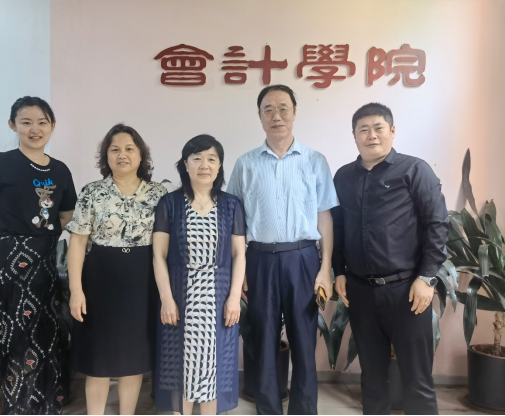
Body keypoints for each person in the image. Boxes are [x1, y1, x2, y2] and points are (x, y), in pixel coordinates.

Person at [0, 97, 77, 415]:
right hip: (2, 271)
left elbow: (67, 216)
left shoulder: (60, 170)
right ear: (13, 125)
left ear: (52, 126)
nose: (35, 129)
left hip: (42, 273)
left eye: (42, 122)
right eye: (26, 122)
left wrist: (41, 233)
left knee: (37, 344)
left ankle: (31, 408)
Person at [227, 85, 339, 415]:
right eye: (268, 110)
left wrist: (325, 268)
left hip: (303, 259)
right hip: (258, 259)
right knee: (263, 341)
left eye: (283, 108)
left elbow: (325, 218)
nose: (276, 116)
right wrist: (240, 269)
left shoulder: (315, 161)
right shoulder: (245, 164)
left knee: (304, 341)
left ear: (294, 112)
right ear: (260, 116)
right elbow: (235, 223)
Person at [332, 103, 449, 415]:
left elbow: (437, 224)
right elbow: (338, 228)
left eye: (378, 128)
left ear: (392, 131)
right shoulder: (343, 177)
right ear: (354, 136)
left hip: (408, 291)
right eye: (363, 130)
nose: (371, 135)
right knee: (372, 377)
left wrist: (427, 278)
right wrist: (339, 271)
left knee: (417, 378)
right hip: (360, 291)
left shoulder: (415, 170)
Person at [66, 124, 167, 415]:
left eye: (129, 149)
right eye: (115, 149)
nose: (122, 155)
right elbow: (77, 243)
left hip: (143, 283)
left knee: (133, 359)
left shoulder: (158, 194)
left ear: (141, 155)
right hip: (100, 280)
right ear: (106, 156)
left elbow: (166, 245)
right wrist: (76, 291)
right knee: (98, 360)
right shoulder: (92, 192)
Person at [153, 135, 246, 416]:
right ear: (186, 164)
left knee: (214, 368)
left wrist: (234, 299)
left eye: (211, 159)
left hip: (219, 299)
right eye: (197, 159)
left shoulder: (231, 205)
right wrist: (166, 299)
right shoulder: (170, 203)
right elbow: (159, 255)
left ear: (219, 166)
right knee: (178, 367)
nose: (204, 165)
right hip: (180, 296)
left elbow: (239, 254)